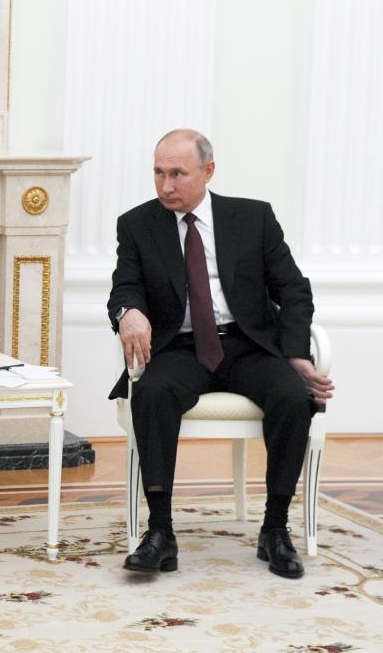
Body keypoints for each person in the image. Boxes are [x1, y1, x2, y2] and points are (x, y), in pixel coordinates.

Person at [107, 129, 334, 579]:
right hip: (180, 348)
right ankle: (160, 533)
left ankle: (274, 530)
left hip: (248, 345)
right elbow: (125, 286)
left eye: (177, 174)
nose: (165, 185)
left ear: (208, 171)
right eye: (158, 173)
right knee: (151, 393)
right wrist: (128, 312)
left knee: (292, 397)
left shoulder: (253, 218)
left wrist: (296, 354)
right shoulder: (137, 224)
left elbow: (293, 290)